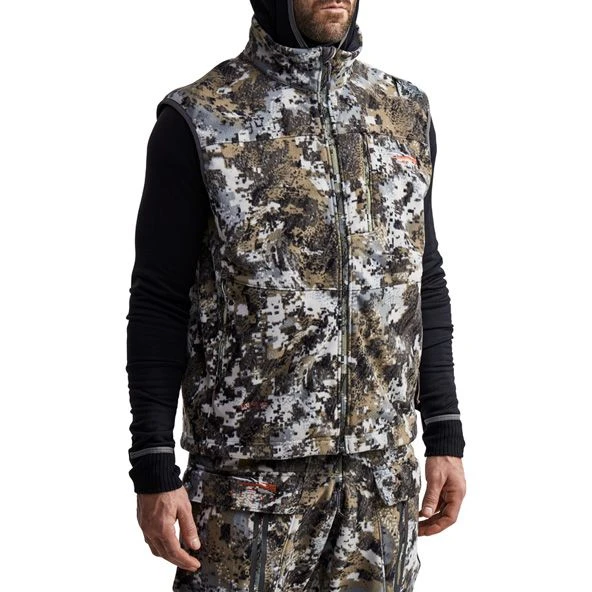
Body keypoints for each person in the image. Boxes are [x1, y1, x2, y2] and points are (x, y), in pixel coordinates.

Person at [126, 1, 467, 590]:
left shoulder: (403, 111)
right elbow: (160, 297)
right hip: (248, 494)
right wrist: (152, 463)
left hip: (379, 488)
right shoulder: (203, 117)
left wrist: (445, 429)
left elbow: (423, 278)